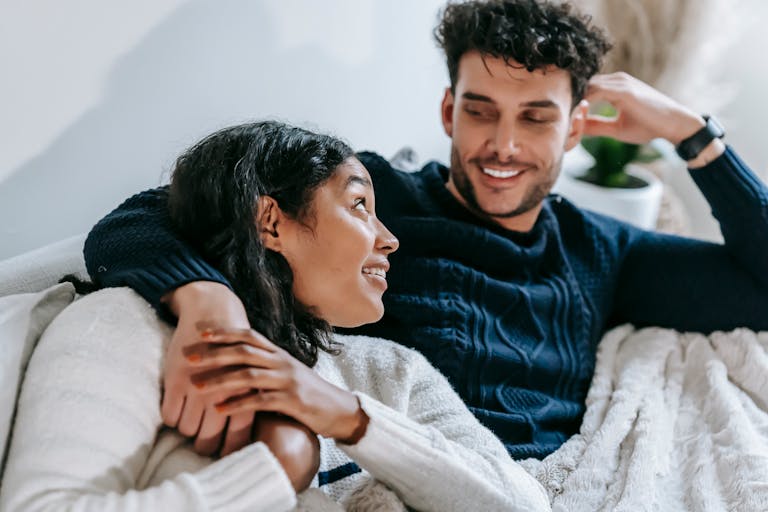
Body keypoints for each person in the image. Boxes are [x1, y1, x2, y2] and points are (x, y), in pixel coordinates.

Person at [82, 0, 768, 463]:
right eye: (480, 111)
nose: (502, 145)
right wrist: (208, 302)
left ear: (576, 126)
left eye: (535, 117)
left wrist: (695, 135)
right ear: (448, 111)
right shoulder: (375, 201)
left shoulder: (604, 250)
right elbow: (142, 219)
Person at [0, 121, 550, 511]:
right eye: (360, 205)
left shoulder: (389, 372)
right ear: (270, 221)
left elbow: (525, 506)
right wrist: (274, 468)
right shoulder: (123, 329)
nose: (390, 239)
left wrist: (347, 418)